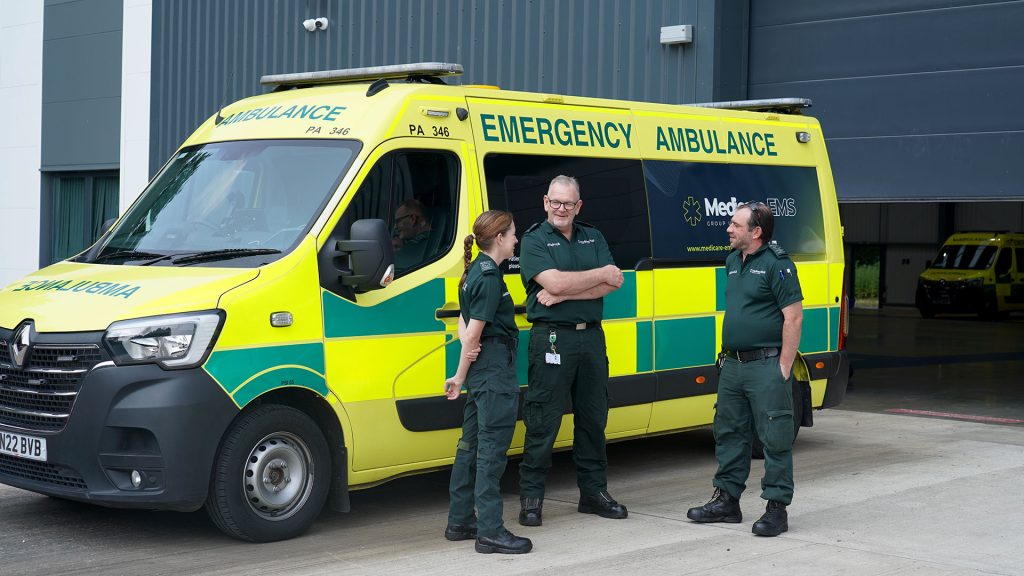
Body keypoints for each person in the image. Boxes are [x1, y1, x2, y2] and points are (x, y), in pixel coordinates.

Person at [686, 200, 803, 537]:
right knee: (728, 434)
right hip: (733, 365)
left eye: (735, 225)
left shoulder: (778, 265)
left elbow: (793, 317)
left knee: (775, 437)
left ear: (756, 232)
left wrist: (783, 366)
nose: (728, 229)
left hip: (766, 365)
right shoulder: (732, 261)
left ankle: (776, 509)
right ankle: (727, 501)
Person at [516, 175, 628, 527]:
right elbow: (560, 281)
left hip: (591, 339)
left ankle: (593, 493)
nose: (561, 209)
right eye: (555, 202)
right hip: (551, 338)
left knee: (594, 419)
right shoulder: (534, 239)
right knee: (542, 421)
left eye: (568, 204)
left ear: (579, 206)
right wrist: (594, 275)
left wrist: (565, 294)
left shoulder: (592, 235)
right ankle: (531, 498)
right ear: (545, 201)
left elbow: (614, 281)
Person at [444, 210, 533, 555]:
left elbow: (463, 330)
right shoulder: (490, 277)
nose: (515, 240)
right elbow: (472, 336)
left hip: (482, 371)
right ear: (498, 239)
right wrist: (459, 376)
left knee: (471, 447)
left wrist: (462, 376)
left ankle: (460, 521)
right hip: (493, 371)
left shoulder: (473, 273)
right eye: (512, 235)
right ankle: (491, 531)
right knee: (491, 454)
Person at [393, 198, 433, 271]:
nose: (395, 227)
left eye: (398, 221)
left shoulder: (417, 245)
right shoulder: (433, 239)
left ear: (413, 219)